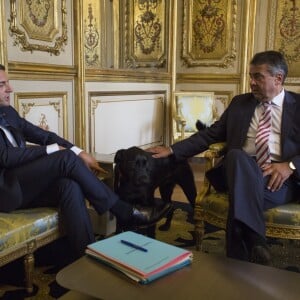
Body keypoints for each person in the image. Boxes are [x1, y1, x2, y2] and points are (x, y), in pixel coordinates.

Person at [0, 64, 170, 260]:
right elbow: (5, 157)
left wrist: (79, 151)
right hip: (6, 191)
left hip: (23, 183)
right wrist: (57, 150)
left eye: (8, 82)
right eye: (3, 84)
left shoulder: (8, 112)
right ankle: (123, 210)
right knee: (63, 157)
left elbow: (44, 136)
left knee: (69, 184)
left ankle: (85, 256)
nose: (10, 88)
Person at [149, 50, 300, 265]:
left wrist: (291, 165)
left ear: (278, 79)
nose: (251, 82)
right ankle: (256, 242)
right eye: (251, 76)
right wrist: (173, 150)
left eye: (258, 76)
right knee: (237, 156)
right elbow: (210, 134)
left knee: (240, 197)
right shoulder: (240, 103)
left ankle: (238, 262)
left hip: (279, 181)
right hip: (239, 169)